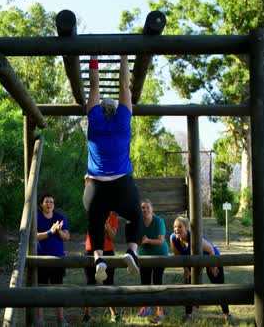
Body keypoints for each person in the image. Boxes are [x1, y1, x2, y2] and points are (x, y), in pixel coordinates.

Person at [83, 54, 142, 283]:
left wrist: (94, 58)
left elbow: (95, 85)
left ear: (99, 108)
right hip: (121, 184)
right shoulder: (123, 121)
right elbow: (124, 85)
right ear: (117, 109)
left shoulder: (94, 122)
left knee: (95, 222)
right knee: (135, 216)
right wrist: (124, 56)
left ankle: (99, 259)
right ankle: (132, 251)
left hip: (96, 186)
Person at [169, 216, 234, 324]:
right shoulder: (173, 238)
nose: (176, 229)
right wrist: (186, 269)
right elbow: (178, 255)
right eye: (175, 227)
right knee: (187, 286)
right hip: (191, 259)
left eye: (180, 227)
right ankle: (188, 314)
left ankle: (227, 313)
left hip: (211, 257)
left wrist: (213, 265)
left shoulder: (194, 238)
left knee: (218, 285)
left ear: (187, 228)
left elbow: (210, 249)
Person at [35, 194, 70, 327]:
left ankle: (61, 318)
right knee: (41, 288)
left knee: (58, 288)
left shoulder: (60, 217)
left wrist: (59, 231)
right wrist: (50, 231)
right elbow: (34, 236)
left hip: (58, 259)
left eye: (51, 202)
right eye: (46, 201)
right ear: (42, 204)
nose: (49, 204)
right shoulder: (36, 217)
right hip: (41, 259)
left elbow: (67, 237)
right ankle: (39, 319)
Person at [82, 211, 120, 324]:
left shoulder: (113, 218)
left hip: (108, 251)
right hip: (91, 250)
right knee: (90, 283)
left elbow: (112, 237)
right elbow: (92, 233)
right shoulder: (93, 214)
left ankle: (114, 314)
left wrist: (107, 224)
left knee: (109, 282)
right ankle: (87, 315)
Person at [136, 199, 170, 322]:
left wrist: (147, 240)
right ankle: (146, 307)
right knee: (144, 282)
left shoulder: (158, 221)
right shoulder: (138, 222)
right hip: (144, 255)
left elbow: (161, 241)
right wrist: (140, 241)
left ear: (152, 209)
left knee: (157, 281)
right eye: (142, 208)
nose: (144, 210)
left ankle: (160, 309)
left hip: (160, 254)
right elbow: (136, 240)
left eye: (147, 207)